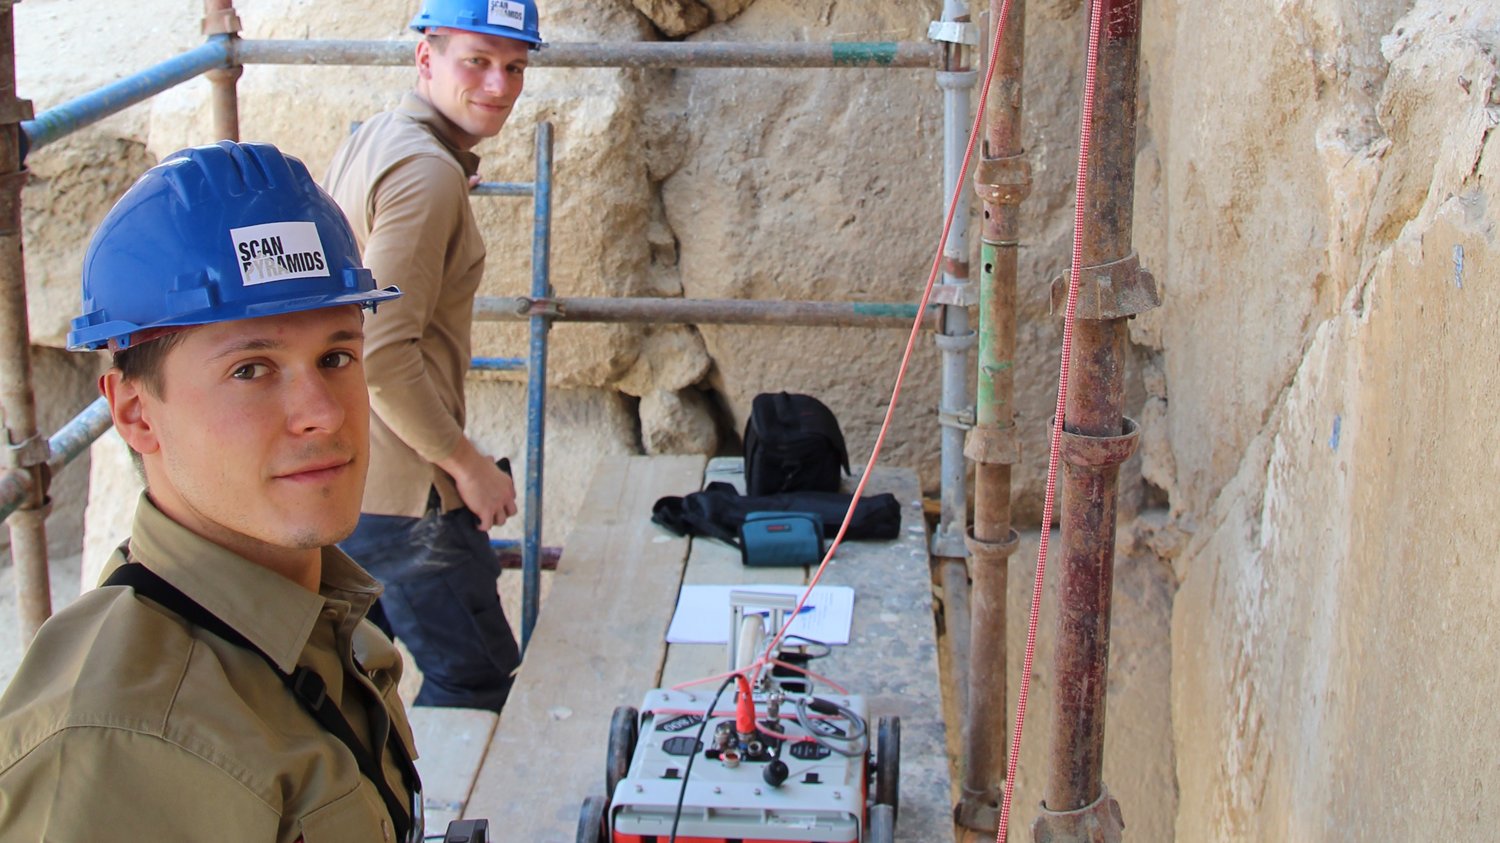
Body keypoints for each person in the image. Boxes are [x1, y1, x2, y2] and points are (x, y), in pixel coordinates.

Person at [0, 141, 421, 842]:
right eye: (252, 369)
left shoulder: (319, 617)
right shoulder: (126, 744)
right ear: (136, 413)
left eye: (337, 355)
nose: (322, 409)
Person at [324, 0, 542, 713]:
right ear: (426, 58)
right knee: (474, 678)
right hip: (407, 496)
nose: (499, 86)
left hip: (358, 481)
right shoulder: (427, 174)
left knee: (351, 681)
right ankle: (447, 822)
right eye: (475, 62)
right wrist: (468, 465)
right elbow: (382, 353)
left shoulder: (381, 139)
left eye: (513, 66)